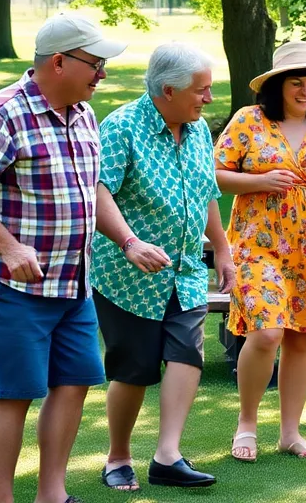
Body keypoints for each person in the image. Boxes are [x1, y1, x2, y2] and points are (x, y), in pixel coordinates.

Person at [0, 13, 125, 503]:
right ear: (60, 62)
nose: (103, 75)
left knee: (74, 384)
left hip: (73, 283)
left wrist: (127, 241)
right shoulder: (4, 112)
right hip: (10, 286)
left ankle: (53, 495)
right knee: (14, 395)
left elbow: (90, 192)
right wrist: (6, 245)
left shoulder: (83, 114)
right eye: (96, 64)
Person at [215, 40, 306, 461]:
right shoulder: (249, 120)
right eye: (296, 83)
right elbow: (215, 173)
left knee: (301, 338)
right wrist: (258, 182)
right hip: (255, 242)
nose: (305, 91)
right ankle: (246, 423)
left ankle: (290, 432)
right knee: (266, 332)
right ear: (278, 85)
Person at [91, 43, 232, 490]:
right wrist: (129, 242)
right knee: (135, 369)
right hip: (127, 274)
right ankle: (117, 458)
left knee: (187, 353)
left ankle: (167, 457)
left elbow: (207, 192)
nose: (208, 98)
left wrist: (222, 251)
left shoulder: (196, 130)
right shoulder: (121, 127)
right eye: (201, 90)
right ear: (168, 90)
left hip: (186, 268)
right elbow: (97, 190)